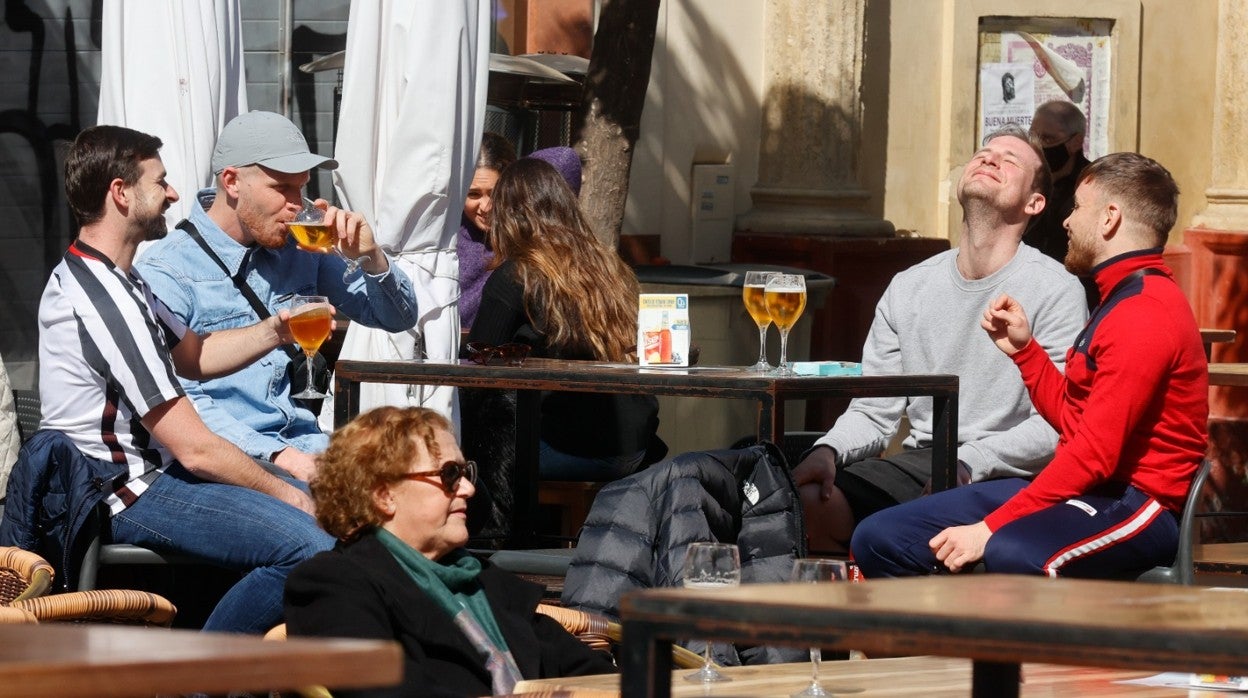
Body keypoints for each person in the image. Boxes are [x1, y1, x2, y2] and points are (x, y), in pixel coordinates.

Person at [852, 151, 1208, 579]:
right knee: (882, 536)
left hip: (1135, 504)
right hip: (1085, 490)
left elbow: (1094, 455)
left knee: (1014, 551)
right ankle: (952, 644)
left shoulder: (1145, 311)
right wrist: (1026, 353)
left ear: (1110, 218)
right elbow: (1073, 420)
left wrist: (988, 528)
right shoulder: (1118, 296)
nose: (1068, 221)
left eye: (1078, 208)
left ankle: (1007, 645)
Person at [34, 125, 333, 632]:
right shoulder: (104, 301)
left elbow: (197, 355)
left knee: (341, 513)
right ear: (121, 193)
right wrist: (290, 494)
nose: (174, 194)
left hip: (159, 471)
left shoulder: (123, 280)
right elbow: (196, 449)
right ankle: (202, 682)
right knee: (313, 547)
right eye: (161, 181)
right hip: (124, 490)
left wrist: (277, 329)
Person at [793, 126, 1089, 553]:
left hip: (1008, 474)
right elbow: (875, 412)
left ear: (1034, 203)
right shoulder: (908, 286)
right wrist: (828, 451)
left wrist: (973, 460)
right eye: (983, 153)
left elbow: (1058, 422)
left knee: (888, 532)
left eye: (1009, 160)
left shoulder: (1056, 289)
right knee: (799, 502)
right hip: (920, 464)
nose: (989, 159)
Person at [137, 111, 419, 481]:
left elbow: (398, 318)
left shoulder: (299, 248)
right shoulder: (167, 269)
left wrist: (371, 257)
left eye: (300, 188)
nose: (296, 203)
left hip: (310, 445)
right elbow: (178, 399)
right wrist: (281, 456)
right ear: (232, 181)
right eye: (282, 188)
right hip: (233, 465)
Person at [285, 406, 615, 697]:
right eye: (449, 475)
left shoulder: (478, 580)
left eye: (465, 473)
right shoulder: (334, 582)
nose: (470, 488)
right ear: (384, 495)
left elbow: (589, 672)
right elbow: (378, 687)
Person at [467, 158, 662, 480]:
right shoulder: (607, 266)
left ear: (509, 215)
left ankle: (499, 531)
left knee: (460, 447)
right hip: (636, 445)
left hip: (573, 449)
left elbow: (475, 365)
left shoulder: (518, 273)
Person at [457, 132, 516, 329]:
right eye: (473, 194)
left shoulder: (523, 237)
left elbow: (565, 159)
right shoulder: (445, 239)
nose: (486, 206)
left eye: (496, 193)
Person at [1024, 100, 1092, 264]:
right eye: (1033, 137)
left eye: (1048, 138)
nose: (1038, 145)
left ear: (1075, 142)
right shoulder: (1023, 179)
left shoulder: (1092, 183)